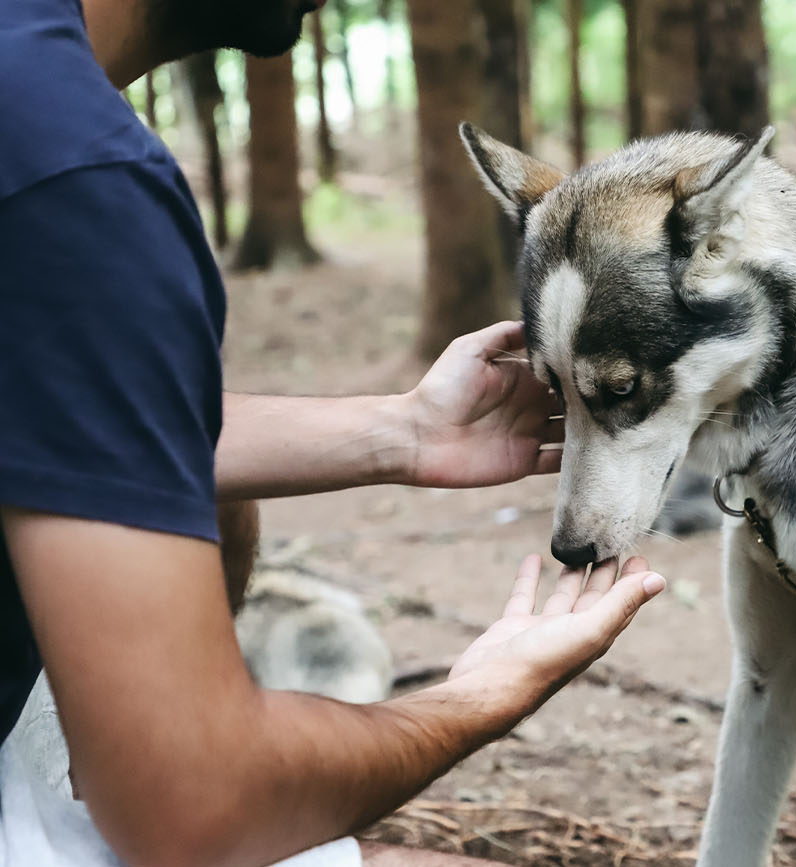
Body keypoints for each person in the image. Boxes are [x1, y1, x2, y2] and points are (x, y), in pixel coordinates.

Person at [0, 0, 667, 864]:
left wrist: (405, 431)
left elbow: (69, 419)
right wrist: (476, 698)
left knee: (223, 507)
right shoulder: (76, 173)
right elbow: (198, 803)